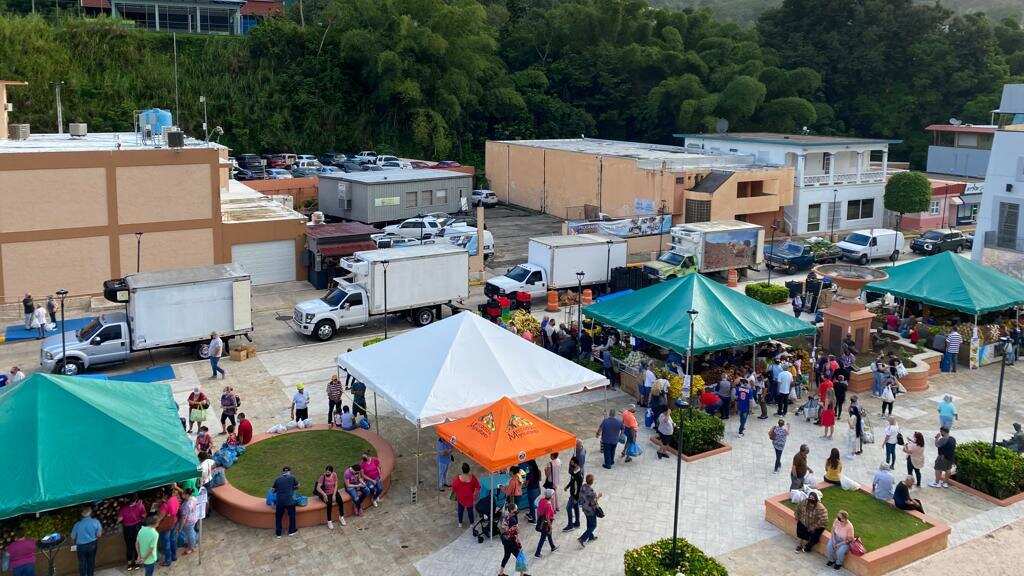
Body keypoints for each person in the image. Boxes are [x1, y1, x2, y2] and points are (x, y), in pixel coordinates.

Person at [498, 503, 528, 576]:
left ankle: (501, 573)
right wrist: (518, 542)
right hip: (511, 541)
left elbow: (502, 527)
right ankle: (522, 574)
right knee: (520, 556)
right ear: (512, 510)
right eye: (516, 508)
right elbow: (515, 533)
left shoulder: (506, 516)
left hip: (505, 539)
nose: (517, 509)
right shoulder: (513, 520)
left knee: (506, 556)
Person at [119, 493, 146, 571]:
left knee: (129, 546)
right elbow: (144, 515)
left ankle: (129, 564)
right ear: (136, 500)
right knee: (137, 545)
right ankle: (137, 563)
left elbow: (119, 519)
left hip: (127, 529)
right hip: (137, 528)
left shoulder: (123, 509)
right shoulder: (140, 505)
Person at [315, 465, 346, 529]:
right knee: (329, 504)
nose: (327, 473)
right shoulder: (322, 477)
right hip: (326, 493)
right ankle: (329, 521)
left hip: (333, 491)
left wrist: (334, 495)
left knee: (340, 502)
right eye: (326, 472)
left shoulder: (334, 474)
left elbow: (336, 484)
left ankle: (341, 516)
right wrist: (324, 495)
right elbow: (318, 488)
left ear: (332, 472)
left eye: (329, 472)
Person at [272, 466, 299, 538]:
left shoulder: (277, 479)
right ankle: (291, 531)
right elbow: (298, 486)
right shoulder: (292, 477)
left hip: (280, 501)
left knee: (278, 517)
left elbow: (273, 490)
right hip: (290, 501)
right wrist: (292, 488)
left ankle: (278, 534)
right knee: (292, 516)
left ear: (283, 472)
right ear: (289, 471)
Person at [154, 488, 179, 566]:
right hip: (174, 521)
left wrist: (155, 525)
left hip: (166, 525)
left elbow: (160, 517)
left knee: (166, 542)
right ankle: (174, 556)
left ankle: (168, 560)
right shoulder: (175, 498)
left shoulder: (165, 505)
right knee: (173, 539)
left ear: (165, 495)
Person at [451, 463, 480, 528]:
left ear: (462, 470)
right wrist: (475, 495)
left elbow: (454, 487)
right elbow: (478, 487)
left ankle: (460, 523)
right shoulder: (472, 478)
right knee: (470, 511)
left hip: (460, 497)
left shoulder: (457, 479)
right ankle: (472, 524)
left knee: (460, 510)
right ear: (469, 470)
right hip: (469, 497)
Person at [578, 474, 601, 547]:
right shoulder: (592, 492)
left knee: (589, 523)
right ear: (592, 482)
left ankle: (591, 537)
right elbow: (594, 502)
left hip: (585, 509)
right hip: (590, 510)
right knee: (594, 525)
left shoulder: (583, 487)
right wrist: (598, 496)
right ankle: (582, 538)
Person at [533, 489, 557, 558]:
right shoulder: (548, 504)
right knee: (543, 537)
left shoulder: (542, 500)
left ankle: (552, 546)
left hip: (541, 521)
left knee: (548, 534)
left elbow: (539, 511)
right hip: (546, 523)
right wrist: (550, 526)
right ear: (550, 496)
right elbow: (547, 517)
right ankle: (537, 553)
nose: (553, 495)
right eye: (553, 494)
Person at [562, 457, 583, 531]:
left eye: (572, 463)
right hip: (573, 493)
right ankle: (577, 523)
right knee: (576, 507)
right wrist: (567, 487)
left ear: (576, 464)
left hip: (574, 495)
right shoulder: (574, 472)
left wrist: (576, 498)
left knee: (568, 508)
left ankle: (570, 525)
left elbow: (579, 488)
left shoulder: (578, 474)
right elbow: (572, 481)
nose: (570, 464)